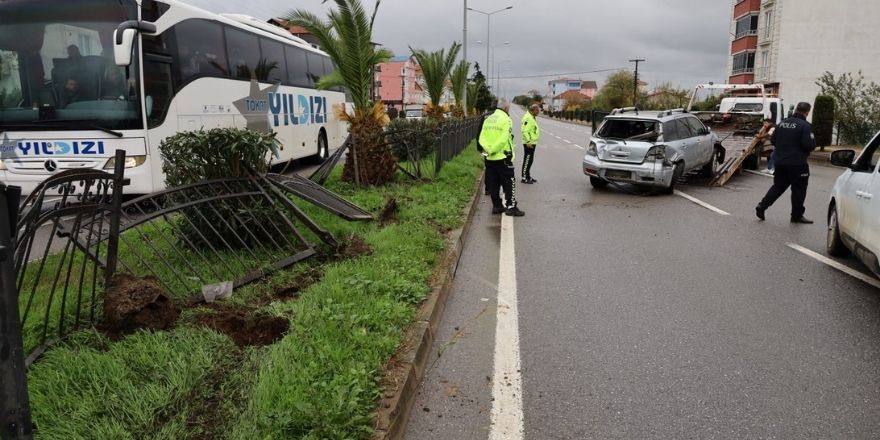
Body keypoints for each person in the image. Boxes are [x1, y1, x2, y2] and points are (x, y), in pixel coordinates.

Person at [755, 102, 816, 224]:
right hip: (798, 164)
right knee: (799, 189)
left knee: (778, 187)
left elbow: (773, 141)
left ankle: (762, 206)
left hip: (781, 162)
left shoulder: (782, 124)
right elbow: (809, 145)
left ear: (796, 109)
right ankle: (796, 215)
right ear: (807, 112)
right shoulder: (805, 126)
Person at [478, 99, 524, 217]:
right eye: (509, 107)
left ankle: (497, 206)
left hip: (490, 158)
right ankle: (511, 206)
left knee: (494, 183)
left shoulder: (488, 119)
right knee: (509, 183)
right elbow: (503, 139)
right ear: (506, 108)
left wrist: (488, 150)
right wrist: (493, 149)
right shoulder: (506, 119)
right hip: (503, 157)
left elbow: (481, 137)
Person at [520, 103, 541, 184]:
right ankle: (524, 177)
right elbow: (524, 131)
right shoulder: (528, 118)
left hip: (531, 142)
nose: (539, 112)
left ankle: (528, 176)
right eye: (538, 110)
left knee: (530, 160)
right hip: (529, 143)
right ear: (533, 110)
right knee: (527, 160)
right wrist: (528, 141)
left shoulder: (531, 116)